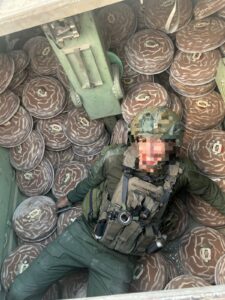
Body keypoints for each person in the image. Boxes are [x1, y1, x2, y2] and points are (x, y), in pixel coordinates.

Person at [7, 106, 225, 300]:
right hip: (83, 236)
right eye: (144, 142)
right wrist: (66, 200)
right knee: (20, 291)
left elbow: (209, 190)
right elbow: (89, 182)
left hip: (120, 259)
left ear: (172, 148)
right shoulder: (113, 158)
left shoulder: (181, 172)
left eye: (159, 145)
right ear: (135, 140)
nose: (149, 152)